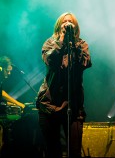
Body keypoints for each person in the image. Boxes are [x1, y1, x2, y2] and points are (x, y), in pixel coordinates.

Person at [36, 12, 92, 158]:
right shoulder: (50, 43)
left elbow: (85, 63)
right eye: (64, 22)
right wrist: (61, 40)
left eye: (70, 22)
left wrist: (72, 43)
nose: (67, 24)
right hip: (49, 105)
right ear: (58, 26)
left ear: (75, 27)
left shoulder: (81, 44)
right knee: (52, 152)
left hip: (73, 106)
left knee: (74, 152)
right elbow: (50, 61)